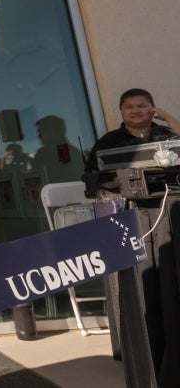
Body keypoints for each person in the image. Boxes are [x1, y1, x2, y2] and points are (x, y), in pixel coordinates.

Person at [85, 88, 180, 386]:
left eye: (143, 106)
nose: (136, 111)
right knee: (145, 287)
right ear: (121, 111)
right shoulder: (109, 142)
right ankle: (149, 357)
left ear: (152, 108)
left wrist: (168, 117)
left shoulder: (166, 133)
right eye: (129, 107)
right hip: (133, 216)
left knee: (171, 287)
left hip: (169, 214)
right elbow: (93, 183)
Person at [30, 114, 85, 183]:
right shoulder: (72, 150)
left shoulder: (47, 152)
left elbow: (36, 180)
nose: (39, 136)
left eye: (40, 132)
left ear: (51, 131)